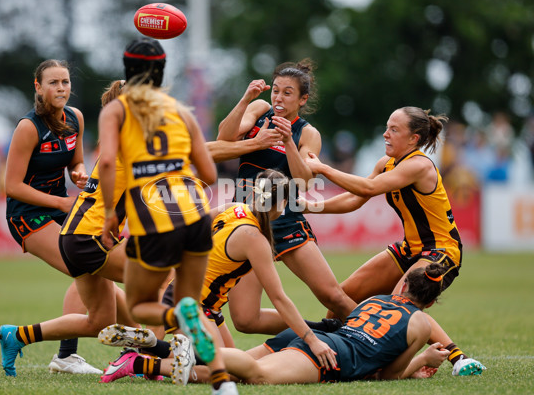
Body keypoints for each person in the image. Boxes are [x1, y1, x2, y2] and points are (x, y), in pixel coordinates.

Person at [0, 80, 176, 378]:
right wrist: (248, 145)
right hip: (82, 237)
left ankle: (18, 336)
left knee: (99, 321)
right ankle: (144, 360)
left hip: (78, 236)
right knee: (164, 275)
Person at [97, 37, 237, 394]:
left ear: (127, 70)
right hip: (195, 213)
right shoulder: (181, 111)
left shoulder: (117, 109)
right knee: (192, 306)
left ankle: (176, 320)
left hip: (154, 216)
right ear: (162, 71)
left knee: (141, 306)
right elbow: (208, 174)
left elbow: (109, 161)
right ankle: (223, 385)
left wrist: (111, 212)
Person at [303, 106, 486, 376]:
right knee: (340, 298)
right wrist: (306, 206)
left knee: (402, 304)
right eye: (387, 127)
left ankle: (459, 358)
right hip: (409, 249)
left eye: (394, 130)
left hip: (441, 251)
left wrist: (322, 169)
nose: (386, 134)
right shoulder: (386, 163)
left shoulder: (419, 165)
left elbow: (368, 188)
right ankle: (335, 347)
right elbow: (355, 199)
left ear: (413, 139)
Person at [207, 59, 357, 335]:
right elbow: (223, 139)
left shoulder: (307, 133)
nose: (278, 97)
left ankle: (379, 335)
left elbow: (305, 180)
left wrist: (288, 141)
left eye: (287, 93)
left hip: (283, 217)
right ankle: (325, 330)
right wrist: (245, 99)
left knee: (332, 296)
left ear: (302, 100)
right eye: (275, 90)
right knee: (245, 320)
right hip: (247, 221)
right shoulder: (259, 110)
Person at [116, 263, 453, 384]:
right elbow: (388, 375)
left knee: (233, 373)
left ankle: (146, 360)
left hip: (313, 337)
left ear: (404, 283)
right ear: (433, 299)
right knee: (254, 373)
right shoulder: (421, 323)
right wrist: (423, 359)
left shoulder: (373, 300)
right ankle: (189, 346)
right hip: (328, 355)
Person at [156, 169, 337, 370]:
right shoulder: (255, 240)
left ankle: (154, 347)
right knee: (222, 369)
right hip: (192, 305)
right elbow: (279, 298)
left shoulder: (235, 208)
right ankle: (150, 355)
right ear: (283, 203)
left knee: (238, 364)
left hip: (205, 306)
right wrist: (312, 340)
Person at [0, 59, 99, 376]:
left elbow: (77, 163)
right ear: (38, 86)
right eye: (54, 82)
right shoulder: (29, 128)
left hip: (59, 207)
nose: (61, 88)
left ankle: (66, 356)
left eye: (65, 82)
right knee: (85, 267)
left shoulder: (76, 118)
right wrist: (61, 203)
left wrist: (80, 174)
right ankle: (66, 356)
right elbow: (12, 186)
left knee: (93, 269)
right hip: (27, 216)